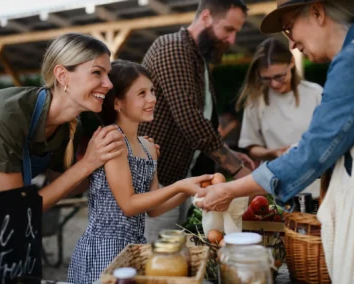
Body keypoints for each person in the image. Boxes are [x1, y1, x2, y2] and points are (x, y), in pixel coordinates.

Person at [196, 0, 354, 282]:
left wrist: (230, 190)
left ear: (317, 12)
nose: (293, 45)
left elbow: (313, 151)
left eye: (289, 29)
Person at [67, 60, 212, 283]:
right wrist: (179, 186)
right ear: (117, 103)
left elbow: (152, 210)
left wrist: (189, 190)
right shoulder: (112, 141)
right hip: (103, 250)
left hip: (134, 248)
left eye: (152, 91)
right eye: (142, 93)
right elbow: (129, 204)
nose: (152, 99)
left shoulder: (148, 147)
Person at [138, 0, 256, 243]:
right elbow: (190, 119)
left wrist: (228, 151)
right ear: (205, 17)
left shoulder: (196, 58)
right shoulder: (172, 48)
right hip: (155, 184)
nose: (232, 40)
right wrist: (236, 167)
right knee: (159, 264)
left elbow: (203, 122)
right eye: (228, 29)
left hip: (177, 179)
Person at [0, 33, 125, 211]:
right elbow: (17, 208)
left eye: (108, 74)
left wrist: (111, 165)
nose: (109, 84)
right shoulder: (5, 116)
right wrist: (87, 162)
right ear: (62, 75)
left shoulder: (70, 128)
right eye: (97, 72)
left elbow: (62, 185)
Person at [236, 37, 323, 197]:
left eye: (279, 76)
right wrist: (273, 152)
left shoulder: (315, 93)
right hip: (277, 186)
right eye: (266, 78)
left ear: (291, 63)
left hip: (316, 184)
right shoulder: (255, 101)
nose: (274, 84)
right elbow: (251, 147)